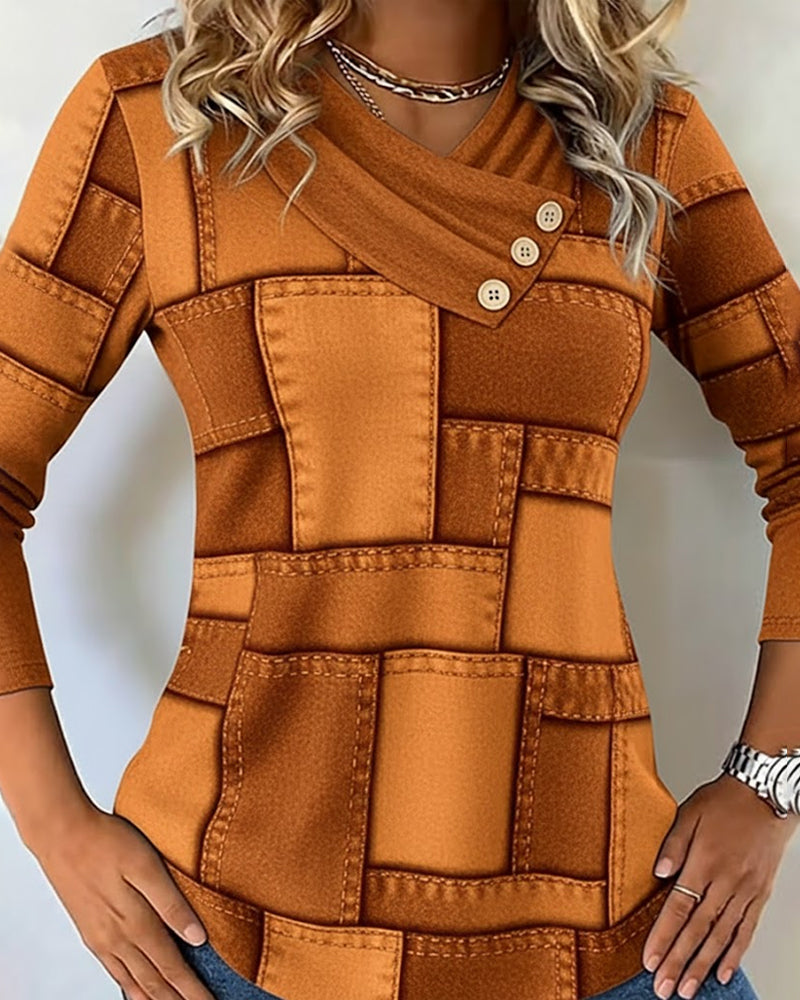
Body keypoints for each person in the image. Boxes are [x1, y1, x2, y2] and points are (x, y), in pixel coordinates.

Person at [0, 1, 798, 999]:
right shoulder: (166, 116)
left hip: (611, 936)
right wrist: (51, 825)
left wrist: (771, 781)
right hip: (241, 937)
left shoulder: (640, 133)